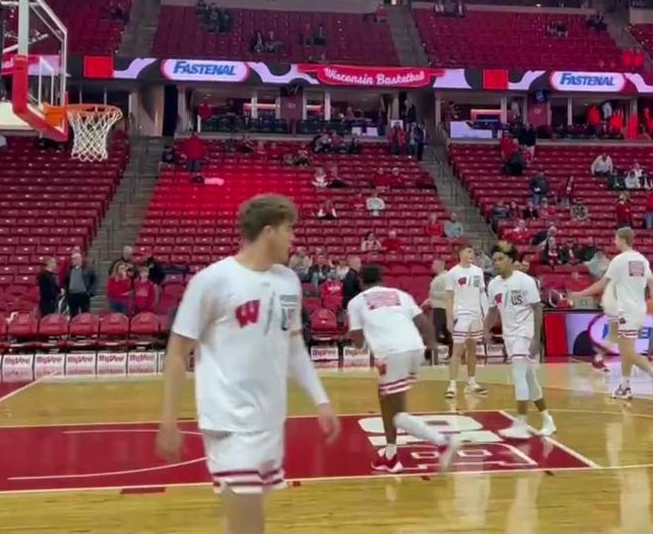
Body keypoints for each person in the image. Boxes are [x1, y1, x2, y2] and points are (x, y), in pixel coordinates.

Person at [155, 196, 338, 533]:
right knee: (248, 518)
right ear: (268, 232)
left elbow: (294, 346)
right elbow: (178, 351)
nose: (293, 239)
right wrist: (169, 419)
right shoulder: (213, 280)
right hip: (228, 418)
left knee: (244, 521)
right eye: (288, 230)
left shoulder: (289, 282)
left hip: (269, 418)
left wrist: (321, 399)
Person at [347, 265, 458, 472]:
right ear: (382, 279)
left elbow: (357, 339)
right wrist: (432, 346)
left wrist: (363, 344)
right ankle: (390, 454)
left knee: (397, 414)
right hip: (415, 348)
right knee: (386, 398)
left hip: (392, 353)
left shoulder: (356, 302)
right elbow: (424, 322)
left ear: (361, 282)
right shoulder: (400, 294)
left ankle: (442, 441)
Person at [571, 228, 653, 400]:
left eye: (615, 239)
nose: (614, 242)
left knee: (628, 353)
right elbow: (652, 285)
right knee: (626, 350)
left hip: (627, 310)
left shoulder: (619, 260)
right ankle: (625, 386)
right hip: (640, 309)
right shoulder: (642, 260)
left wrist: (578, 294)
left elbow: (601, 284)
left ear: (623, 240)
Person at [486, 242, 556, 438]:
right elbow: (492, 311)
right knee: (529, 381)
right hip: (509, 335)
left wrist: (536, 339)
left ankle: (522, 424)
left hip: (524, 334)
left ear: (511, 260)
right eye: (494, 260)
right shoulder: (493, 284)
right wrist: (485, 329)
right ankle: (547, 419)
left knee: (518, 376)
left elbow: (537, 308)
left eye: (500, 259)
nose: (496, 263)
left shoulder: (525, 281)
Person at [444, 244, 489, 399]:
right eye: (469, 251)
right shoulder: (452, 273)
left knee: (472, 349)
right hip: (461, 315)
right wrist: (449, 318)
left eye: (472, 251)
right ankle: (452, 384)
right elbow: (449, 297)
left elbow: (482, 293)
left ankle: (471, 382)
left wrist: (487, 314)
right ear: (461, 253)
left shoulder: (478, 271)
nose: (472, 253)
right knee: (457, 351)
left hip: (476, 314)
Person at [63, 252, 97, 317]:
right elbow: (66, 281)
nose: (72, 260)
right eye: (72, 259)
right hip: (72, 295)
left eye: (74, 259)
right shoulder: (70, 270)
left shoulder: (88, 269)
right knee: (73, 315)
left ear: (79, 259)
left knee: (85, 314)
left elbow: (94, 280)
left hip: (83, 294)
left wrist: (90, 292)